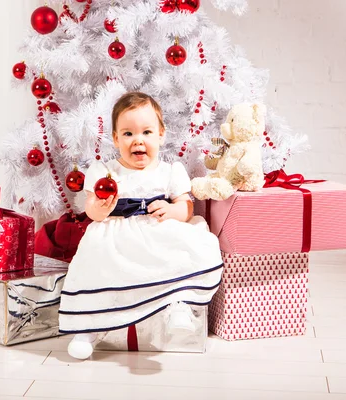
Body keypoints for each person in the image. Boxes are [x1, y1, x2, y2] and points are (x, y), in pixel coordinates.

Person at [58, 92, 223, 359]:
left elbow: (186, 206)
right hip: (114, 234)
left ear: (161, 135)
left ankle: (177, 303)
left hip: (157, 229)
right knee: (94, 264)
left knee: (180, 252)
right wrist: (99, 208)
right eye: (128, 134)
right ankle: (87, 327)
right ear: (115, 138)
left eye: (146, 132)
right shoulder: (105, 171)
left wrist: (173, 210)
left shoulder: (169, 171)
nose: (138, 140)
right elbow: (91, 209)